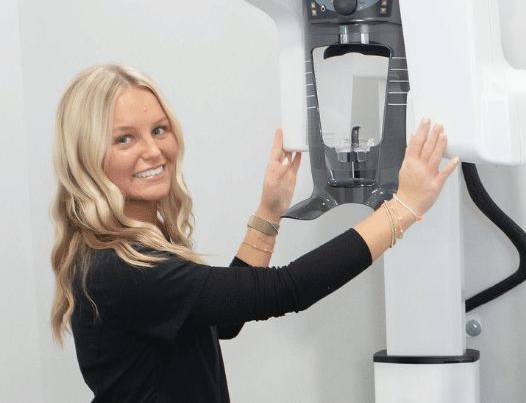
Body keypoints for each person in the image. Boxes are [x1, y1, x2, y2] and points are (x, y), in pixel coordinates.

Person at [50, 63, 460, 403]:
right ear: (87, 156)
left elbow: (224, 320)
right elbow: (285, 289)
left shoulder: (129, 244)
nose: (154, 151)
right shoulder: (124, 265)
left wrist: (270, 211)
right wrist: (404, 208)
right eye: (125, 139)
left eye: (159, 130)